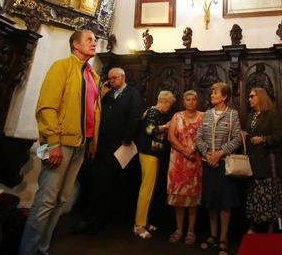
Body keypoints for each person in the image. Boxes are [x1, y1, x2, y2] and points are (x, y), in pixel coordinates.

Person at [12, 29, 101, 255]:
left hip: (80, 145)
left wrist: (91, 144)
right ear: (75, 45)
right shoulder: (61, 67)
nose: (94, 43)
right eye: (89, 40)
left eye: (95, 40)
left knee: (60, 203)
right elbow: (47, 106)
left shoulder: (92, 74)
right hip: (60, 143)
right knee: (43, 205)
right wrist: (52, 142)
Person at [72, 67, 141, 234]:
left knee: (109, 184)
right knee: (97, 182)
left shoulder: (132, 93)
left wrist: (127, 139)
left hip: (119, 146)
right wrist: (102, 95)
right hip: (101, 144)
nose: (111, 81)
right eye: (109, 78)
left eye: (114, 78)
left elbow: (134, 116)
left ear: (122, 77)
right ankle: (92, 220)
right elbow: (97, 113)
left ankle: (100, 221)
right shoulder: (108, 94)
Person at [195, 82, 242, 255]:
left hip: (224, 165)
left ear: (224, 96)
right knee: (211, 202)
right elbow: (199, 137)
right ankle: (213, 235)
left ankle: (223, 238)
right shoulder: (206, 114)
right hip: (209, 164)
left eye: (215, 93)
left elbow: (237, 139)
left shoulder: (233, 115)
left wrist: (220, 153)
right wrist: (208, 154)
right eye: (212, 92)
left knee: (225, 202)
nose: (211, 95)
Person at [133, 90, 175, 239]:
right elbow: (150, 130)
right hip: (149, 154)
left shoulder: (150, 111)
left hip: (149, 154)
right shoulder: (153, 112)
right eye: (169, 105)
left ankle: (144, 221)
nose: (169, 108)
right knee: (146, 189)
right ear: (164, 101)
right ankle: (139, 226)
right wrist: (166, 126)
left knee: (148, 189)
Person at [244, 87, 282, 234]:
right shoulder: (251, 116)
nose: (249, 99)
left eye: (252, 96)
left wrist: (263, 139)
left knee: (270, 196)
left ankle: (271, 228)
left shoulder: (272, 114)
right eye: (249, 97)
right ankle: (253, 225)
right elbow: (250, 133)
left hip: (268, 162)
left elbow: (280, 135)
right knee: (254, 196)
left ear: (260, 97)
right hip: (254, 162)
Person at [167, 90, 203, 245]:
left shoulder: (202, 116)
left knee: (193, 198)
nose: (191, 102)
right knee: (179, 198)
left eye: (194, 99)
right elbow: (171, 136)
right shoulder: (177, 116)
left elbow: (205, 135)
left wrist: (192, 149)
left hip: (195, 159)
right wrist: (183, 150)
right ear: (183, 102)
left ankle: (191, 231)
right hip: (178, 160)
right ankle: (179, 229)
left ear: (197, 101)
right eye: (188, 99)